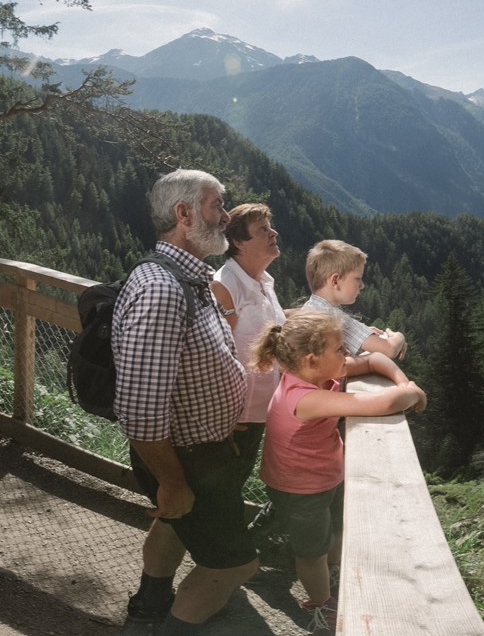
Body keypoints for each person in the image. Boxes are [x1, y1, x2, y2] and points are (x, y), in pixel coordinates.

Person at [113, 169, 258, 634]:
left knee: (174, 525)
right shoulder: (162, 289)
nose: (226, 216)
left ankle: (147, 610)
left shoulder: (190, 278)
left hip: (198, 450)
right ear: (184, 214)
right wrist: (173, 481)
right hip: (187, 459)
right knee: (233, 565)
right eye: (218, 205)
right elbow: (140, 409)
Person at [252, 310, 425, 632]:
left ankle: (331, 571)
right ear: (312, 360)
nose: (347, 353)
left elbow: (375, 360)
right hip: (300, 489)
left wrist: (404, 382)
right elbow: (385, 404)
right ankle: (323, 606)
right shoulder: (305, 398)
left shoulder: (316, 374)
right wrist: (412, 392)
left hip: (324, 475)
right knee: (311, 553)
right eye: (340, 349)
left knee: (336, 527)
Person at [210, 203, 286, 490]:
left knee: (230, 486)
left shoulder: (263, 281)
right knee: (218, 492)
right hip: (233, 418)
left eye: (270, 226)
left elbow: (270, 323)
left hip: (256, 412)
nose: (273, 233)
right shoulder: (224, 286)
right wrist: (221, 417)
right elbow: (211, 354)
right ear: (239, 242)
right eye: (263, 229)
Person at [302, 239, 406, 359]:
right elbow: (389, 349)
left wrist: (363, 334)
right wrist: (399, 337)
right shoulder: (335, 319)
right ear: (335, 281)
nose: (362, 285)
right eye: (358, 278)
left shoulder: (309, 309)